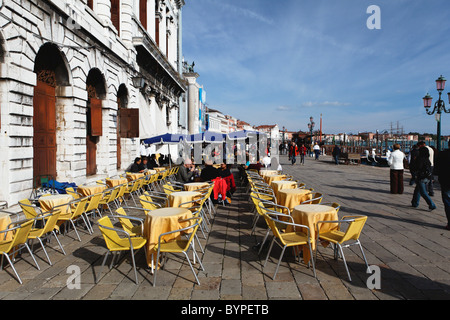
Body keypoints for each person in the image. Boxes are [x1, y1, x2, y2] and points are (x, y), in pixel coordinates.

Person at [410, 147, 436, 211]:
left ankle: (432, 204)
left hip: (421, 177)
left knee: (423, 192)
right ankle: (415, 203)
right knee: (417, 189)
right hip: (427, 177)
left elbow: (417, 167)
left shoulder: (420, 159)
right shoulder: (427, 159)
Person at [435, 140, 450, 230]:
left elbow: (437, 167)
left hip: (445, 180)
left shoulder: (442, 154)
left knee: (447, 202)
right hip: (445, 180)